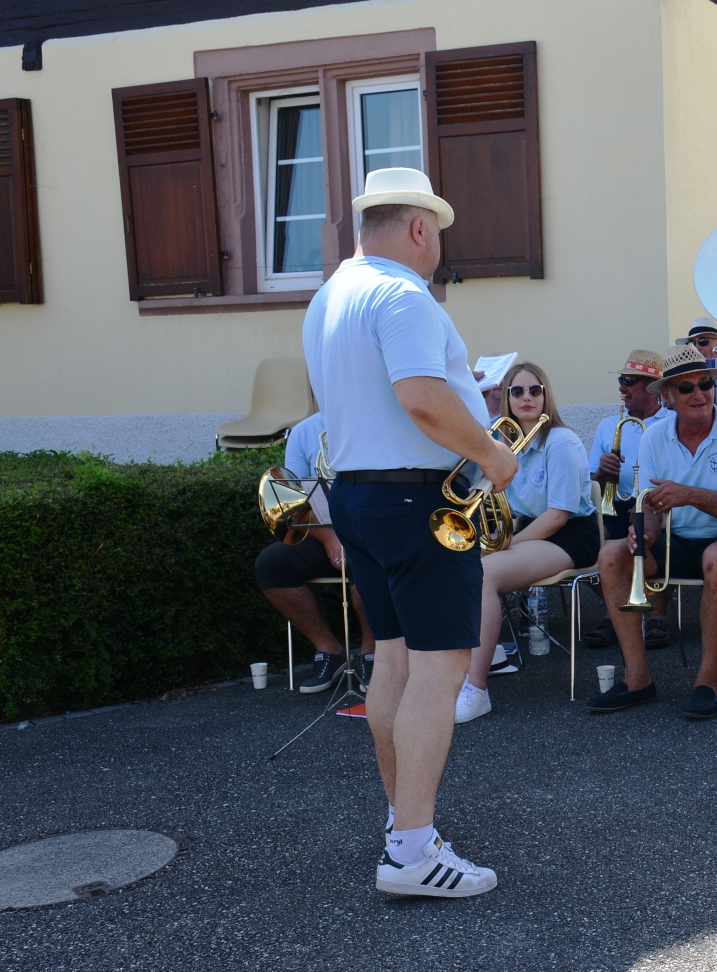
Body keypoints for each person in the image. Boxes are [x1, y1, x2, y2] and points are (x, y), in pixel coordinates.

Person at [303, 166, 518, 897]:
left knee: (392, 662)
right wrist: (492, 452)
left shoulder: (330, 295)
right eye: (439, 239)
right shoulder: (403, 294)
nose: (438, 254)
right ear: (421, 227)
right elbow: (423, 399)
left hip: (360, 497)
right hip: (416, 503)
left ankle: (404, 828)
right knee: (438, 669)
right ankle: (412, 854)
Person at [587, 345, 717, 720]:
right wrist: (645, 533)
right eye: (686, 388)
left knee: (716, 557)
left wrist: (689, 495)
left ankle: (707, 680)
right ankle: (637, 678)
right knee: (612, 555)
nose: (699, 393)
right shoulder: (654, 438)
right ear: (667, 397)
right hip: (679, 539)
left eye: (705, 384)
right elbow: (651, 506)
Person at [455, 363, 602, 723]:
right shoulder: (498, 441)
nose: (526, 398)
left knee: (486, 572)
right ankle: (487, 658)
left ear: (545, 394)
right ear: (505, 398)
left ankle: (476, 690)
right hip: (526, 529)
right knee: (456, 563)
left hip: (570, 534)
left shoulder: (561, 441)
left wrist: (505, 545)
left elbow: (558, 516)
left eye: (534, 390)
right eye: (516, 391)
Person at [254, 411, 377, 693]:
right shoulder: (303, 432)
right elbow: (295, 500)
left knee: (368, 562)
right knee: (272, 564)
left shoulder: (372, 417)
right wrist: (330, 538)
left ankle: (372, 652)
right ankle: (330, 650)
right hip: (322, 530)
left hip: (369, 529)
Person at [585, 350, 672, 648]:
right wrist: (602, 473)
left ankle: (657, 613)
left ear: (651, 386)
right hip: (617, 503)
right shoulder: (608, 427)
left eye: (628, 381)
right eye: (621, 380)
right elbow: (591, 484)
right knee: (588, 540)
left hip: (658, 504)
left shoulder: (673, 422)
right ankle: (616, 608)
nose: (621, 387)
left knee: (649, 534)